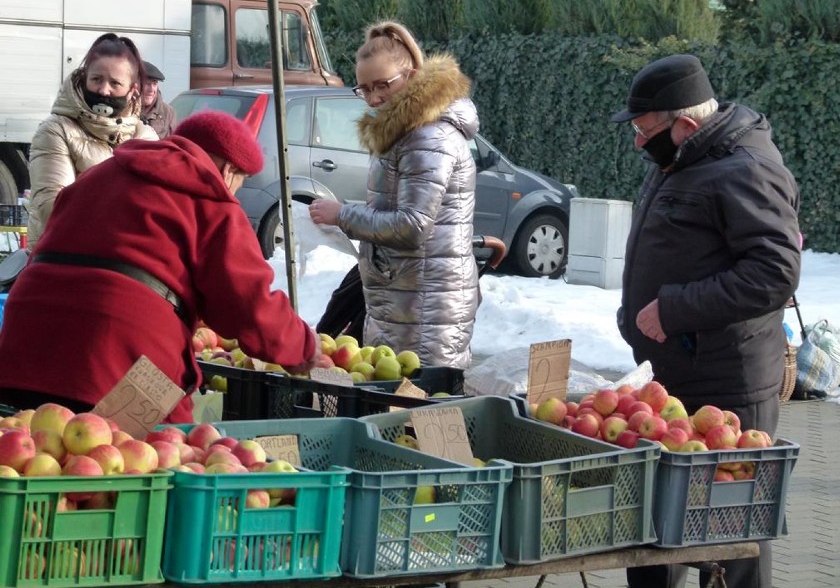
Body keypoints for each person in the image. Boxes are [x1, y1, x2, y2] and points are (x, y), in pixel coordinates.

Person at [611, 54, 801, 588]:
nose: (638, 142)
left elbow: (774, 272)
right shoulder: (682, 159)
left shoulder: (747, 169)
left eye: (647, 132)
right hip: (670, 378)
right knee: (653, 527)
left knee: (731, 536)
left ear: (686, 125)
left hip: (728, 385)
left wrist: (673, 308)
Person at [0, 111, 320, 423]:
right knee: (164, 455)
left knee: (38, 455)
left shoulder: (99, 174)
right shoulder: (211, 200)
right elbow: (247, 304)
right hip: (117, 355)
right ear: (228, 171)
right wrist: (303, 347)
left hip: (23, 344)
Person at [310, 21, 480, 369]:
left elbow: (413, 225)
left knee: (419, 412)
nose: (373, 99)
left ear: (411, 75)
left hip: (425, 308)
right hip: (406, 299)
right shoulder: (404, 133)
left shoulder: (427, 137)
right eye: (364, 89)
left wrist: (342, 215)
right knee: (396, 409)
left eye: (382, 85)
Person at [27, 33, 158, 249]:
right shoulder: (55, 129)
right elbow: (52, 207)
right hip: (61, 259)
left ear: (132, 90)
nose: (103, 90)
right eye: (97, 79)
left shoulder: (146, 137)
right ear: (84, 77)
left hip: (122, 262)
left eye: (115, 83)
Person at [140, 60, 177, 139]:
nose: (151, 89)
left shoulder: (167, 112)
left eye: (155, 84)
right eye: (147, 84)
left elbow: (173, 143)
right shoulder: (125, 110)